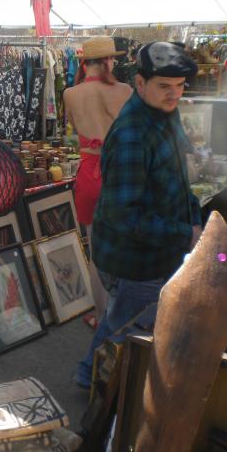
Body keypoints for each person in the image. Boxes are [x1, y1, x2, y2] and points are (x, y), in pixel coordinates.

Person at [76, 41, 202, 389]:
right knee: (127, 324)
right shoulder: (132, 134)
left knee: (123, 318)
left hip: (152, 251)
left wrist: (192, 216)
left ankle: (93, 376)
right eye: (165, 86)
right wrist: (185, 234)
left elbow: (178, 174)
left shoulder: (163, 112)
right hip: (134, 258)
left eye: (179, 86)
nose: (174, 94)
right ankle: (94, 382)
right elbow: (124, 217)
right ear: (140, 83)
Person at [63, 37, 132, 321]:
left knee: (96, 253)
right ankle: (123, 315)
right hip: (119, 172)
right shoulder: (125, 91)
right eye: (113, 59)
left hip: (89, 173)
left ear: (84, 64)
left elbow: (73, 126)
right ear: (106, 61)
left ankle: (101, 316)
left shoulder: (70, 94)